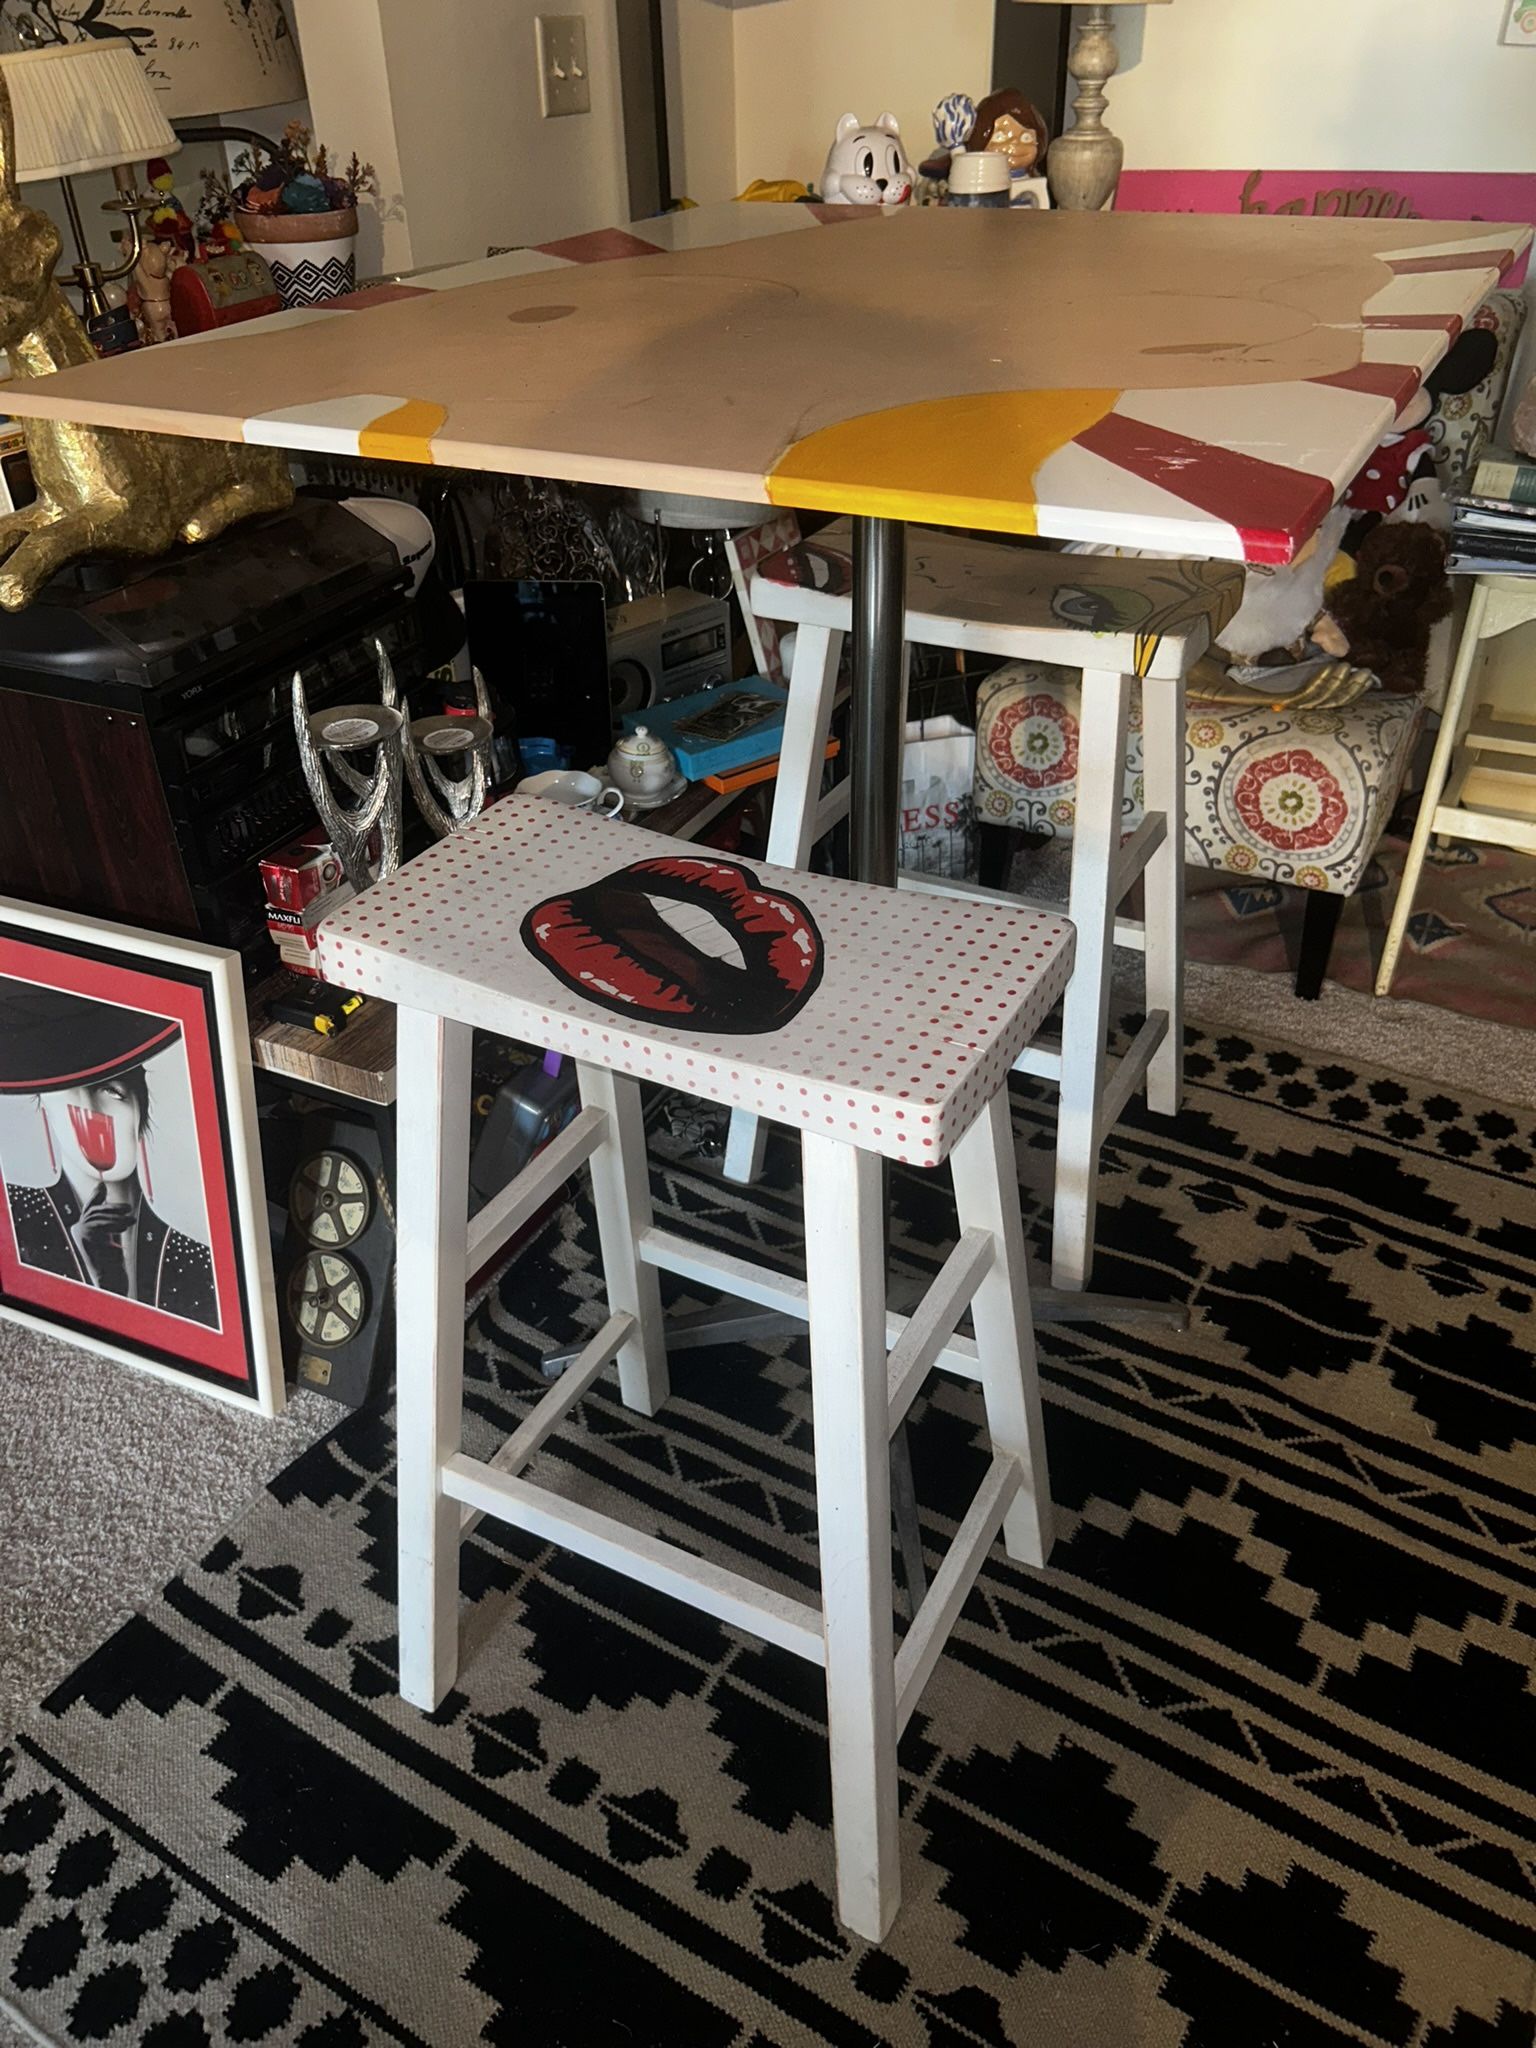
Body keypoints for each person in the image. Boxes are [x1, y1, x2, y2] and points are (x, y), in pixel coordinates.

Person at [0, 983, 218, 1327]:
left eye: (111, 1091)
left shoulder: (190, 1257)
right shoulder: (17, 1216)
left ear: (139, 1106)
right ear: (44, 1105)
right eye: (66, 1094)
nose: (90, 1114)